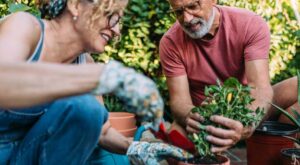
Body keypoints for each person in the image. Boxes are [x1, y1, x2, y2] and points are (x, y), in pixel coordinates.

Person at [0, 0, 193, 164]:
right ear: (75, 5)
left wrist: (138, 148)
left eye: (118, 20)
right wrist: (101, 76)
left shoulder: (85, 63)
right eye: (111, 16)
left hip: (27, 155)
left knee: (88, 109)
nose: (117, 30)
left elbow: (102, 131)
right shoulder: (25, 27)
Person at [159, 0, 274, 153]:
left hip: (245, 106)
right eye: (178, 12)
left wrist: (248, 123)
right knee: (175, 148)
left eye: (193, 6)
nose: (187, 19)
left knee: (296, 88)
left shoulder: (249, 24)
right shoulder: (170, 42)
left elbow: (260, 89)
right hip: (205, 115)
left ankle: (272, 152)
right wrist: (191, 116)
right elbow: (179, 102)